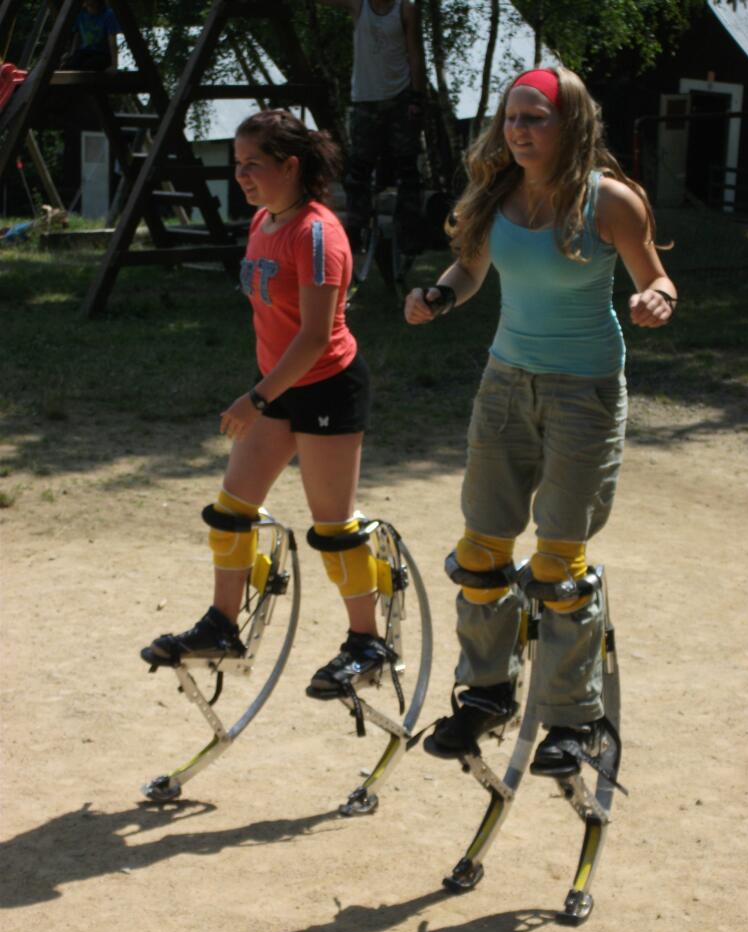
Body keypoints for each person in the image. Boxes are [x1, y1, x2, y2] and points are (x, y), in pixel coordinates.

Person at [404, 67, 677, 775]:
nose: (519, 131)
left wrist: (657, 300)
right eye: (512, 118)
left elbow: (656, 278)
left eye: (535, 118)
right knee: (481, 552)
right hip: (504, 386)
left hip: (583, 393)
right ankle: (486, 694)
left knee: (557, 565)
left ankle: (571, 719)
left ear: (571, 124)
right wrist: (438, 296)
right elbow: (469, 270)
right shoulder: (494, 194)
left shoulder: (608, 201)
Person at [142, 109, 390, 697]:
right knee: (231, 510)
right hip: (278, 385)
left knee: (333, 527)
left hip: (326, 386)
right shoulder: (263, 221)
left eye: (253, 164)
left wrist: (256, 398)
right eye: (238, 164)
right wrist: (266, 392)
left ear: (291, 166)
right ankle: (222, 628)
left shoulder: (317, 234)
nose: (242, 176)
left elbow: (315, 336)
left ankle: (367, 643)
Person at [318, 0, 426, 253]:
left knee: (408, 170)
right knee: (359, 170)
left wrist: (417, 97)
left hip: (399, 97)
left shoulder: (405, 8)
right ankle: (356, 231)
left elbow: (415, 53)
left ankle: (409, 234)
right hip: (365, 99)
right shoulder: (359, 5)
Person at [61, 2, 120, 73]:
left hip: (102, 54)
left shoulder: (108, 14)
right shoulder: (80, 14)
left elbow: (112, 41)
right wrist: (71, 54)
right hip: (84, 52)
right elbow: (77, 36)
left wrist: (114, 65)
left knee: (88, 65)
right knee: (68, 66)